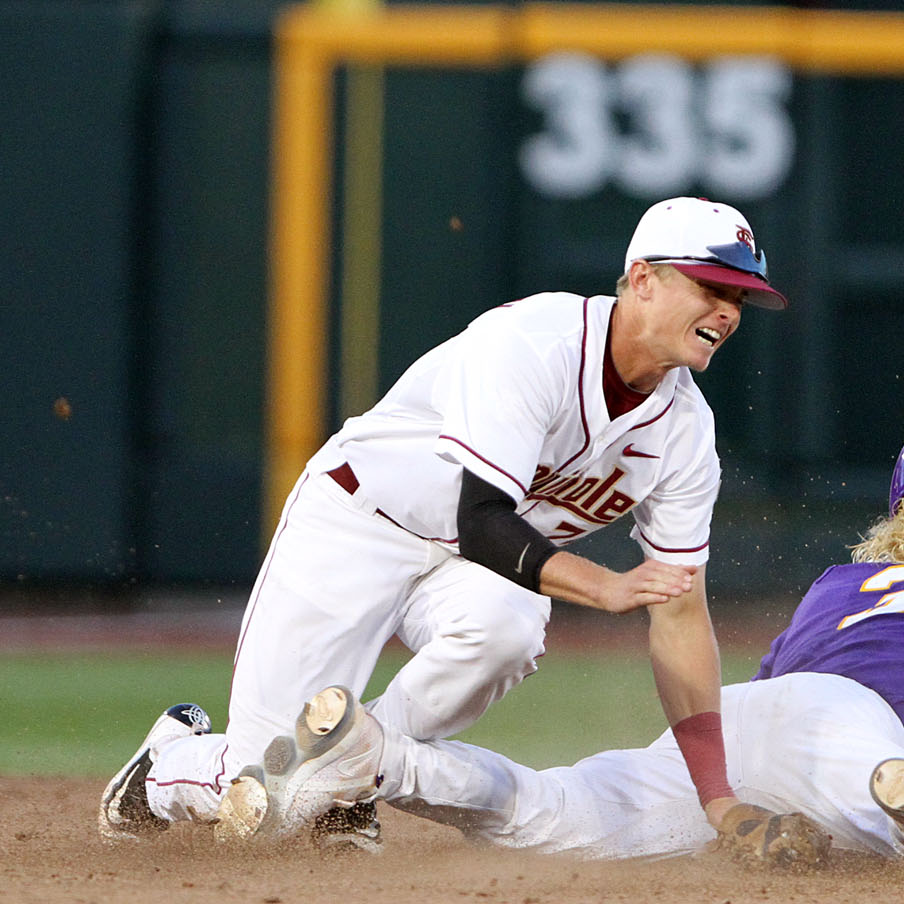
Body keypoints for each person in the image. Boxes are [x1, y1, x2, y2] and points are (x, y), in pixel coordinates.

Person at [99, 196, 800, 853]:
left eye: (740, 297)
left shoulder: (685, 434)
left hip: (470, 567)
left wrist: (717, 797)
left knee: (508, 626)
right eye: (712, 287)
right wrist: (603, 585)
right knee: (254, 783)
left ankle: (346, 778)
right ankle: (166, 767)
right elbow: (484, 518)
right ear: (642, 279)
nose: (727, 310)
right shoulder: (536, 343)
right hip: (359, 522)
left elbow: (681, 614)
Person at [330, 408, 904, 879]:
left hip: (739, 718)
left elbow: (778, 705)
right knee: (872, 821)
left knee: (557, 809)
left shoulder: (837, 582)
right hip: (850, 734)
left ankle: (382, 756)